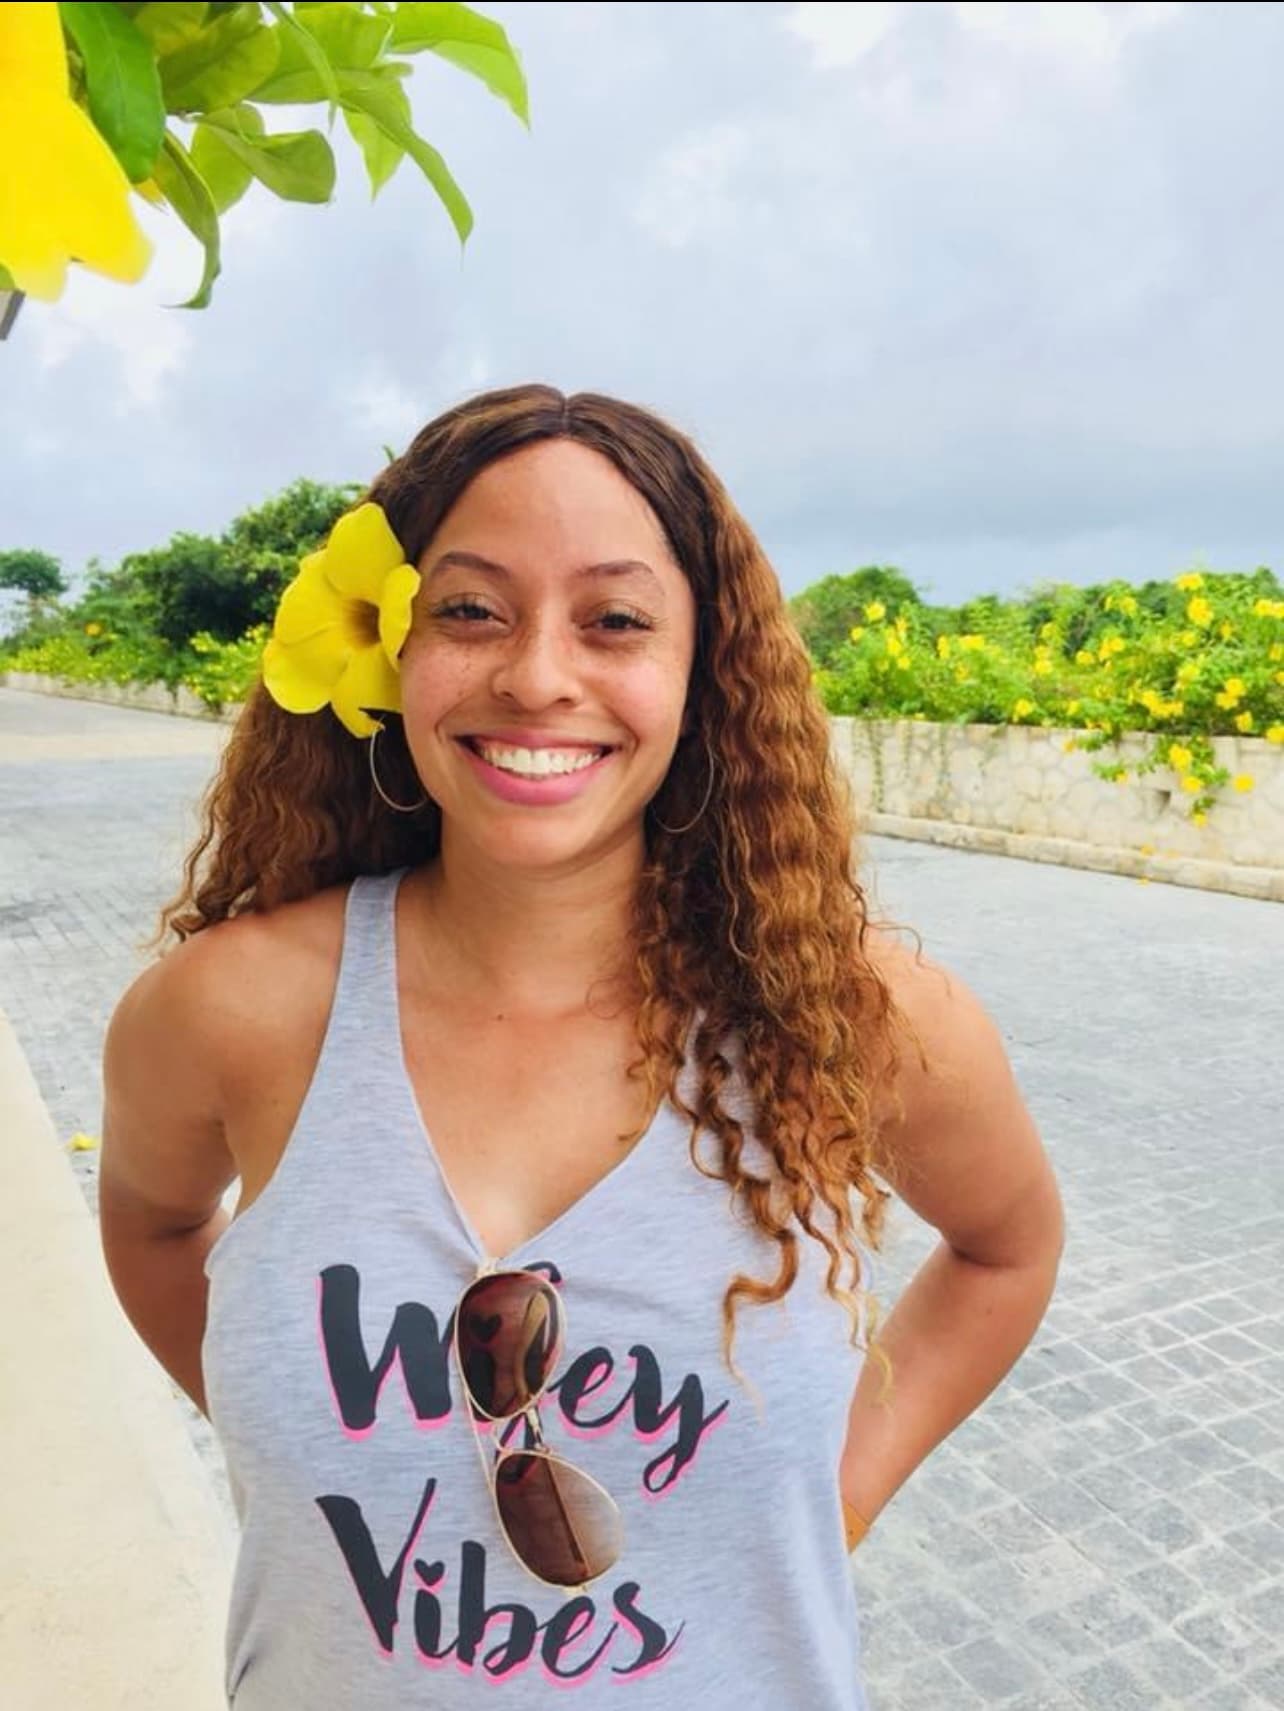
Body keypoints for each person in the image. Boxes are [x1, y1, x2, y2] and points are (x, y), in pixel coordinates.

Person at [99, 383, 1064, 1709]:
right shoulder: (227, 1012)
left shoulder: (848, 1017)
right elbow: (151, 1228)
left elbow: (1009, 1247)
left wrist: (832, 1497)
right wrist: (288, 1434)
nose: (538, 674)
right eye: (472, 609)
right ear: (390, 645)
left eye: (614, 620)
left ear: (701, 675)